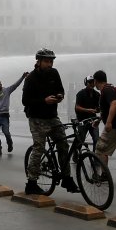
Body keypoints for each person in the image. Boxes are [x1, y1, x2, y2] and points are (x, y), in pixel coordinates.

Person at [20, 48, 78, 195]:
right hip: (36, 118)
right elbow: (25, 101)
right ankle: (31, 183)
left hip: (52, 116)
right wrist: (43, 100)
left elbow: (61, 89)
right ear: (38, 62)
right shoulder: (31, 78)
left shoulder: (54, 73)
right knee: (39, 148)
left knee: (63, 144)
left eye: (51, 61)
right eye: (46, 61)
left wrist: (60, 95)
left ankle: (66, 178)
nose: (50, 64)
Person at [74, 75, 101, 149]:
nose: (92, 84)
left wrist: (98, 109)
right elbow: (77, 107)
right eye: (90, 82)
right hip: (82, 120)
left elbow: (99, 107)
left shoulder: (97, 94)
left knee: (96, 139)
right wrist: (87, 110)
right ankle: (76, 155)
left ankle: (95, 157)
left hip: (93, 120)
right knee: (80, 139)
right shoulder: (80, 94)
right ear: (86, 83)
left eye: (93, 82)